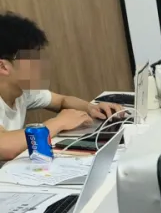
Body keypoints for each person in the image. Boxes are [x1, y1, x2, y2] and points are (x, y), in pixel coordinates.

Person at [0, 12, 123, 161]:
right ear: (3, 66)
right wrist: (58, 123)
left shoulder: (24, 91)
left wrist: (91, 108)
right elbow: (5, 146)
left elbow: (61, 101)